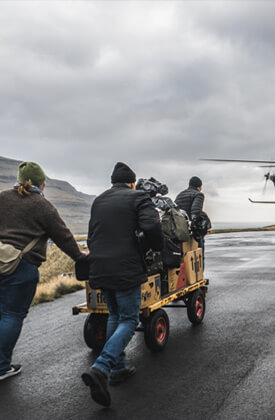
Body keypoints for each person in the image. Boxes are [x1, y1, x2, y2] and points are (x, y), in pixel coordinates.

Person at [0, 162, 85, 382]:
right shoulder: (42, 205)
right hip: (19, 267)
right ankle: (0, 368)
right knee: (12, 314)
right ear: (42, 183)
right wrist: (80, 258)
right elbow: (63, 236)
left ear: (19, 180)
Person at [81, 162, 163, 407]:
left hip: (99, 266)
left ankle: (118, 368)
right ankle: (102, 367)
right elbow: (152, 226)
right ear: (131, 182)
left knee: (115, 315)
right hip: (125, 266)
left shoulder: (99, 200)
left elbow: (92, 234)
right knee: (129, 319)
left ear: (113, 182)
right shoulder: (139, 197)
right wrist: (156, 247)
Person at [175, 176, 206, 251]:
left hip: (178, 230)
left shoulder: (180, 194)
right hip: (190, 230)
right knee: (198, 253)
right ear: (199, 187)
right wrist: (198, 231)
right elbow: (195, 212)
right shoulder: (198, 194)